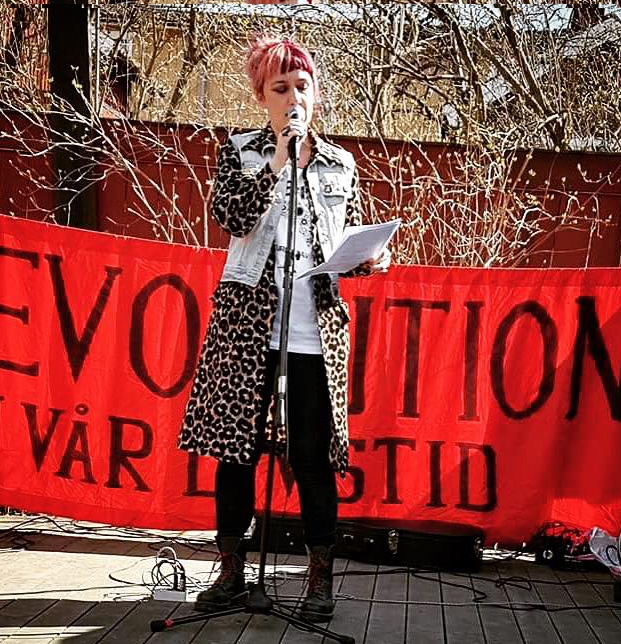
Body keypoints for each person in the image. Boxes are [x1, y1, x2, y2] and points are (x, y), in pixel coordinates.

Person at [179, 35, 389, 622]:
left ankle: (320, 580)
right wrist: (276, 160)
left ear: (315, 93)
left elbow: (344, 233)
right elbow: (232, 216)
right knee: (236, 452)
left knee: (313, 454)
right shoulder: (239, 151)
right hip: (247, 323)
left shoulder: (340, 162)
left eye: (302, 87)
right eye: (281, 89)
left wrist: (369, 257)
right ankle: (231, 574)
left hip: (312, 326)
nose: (294, 97)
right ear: (261, 97)